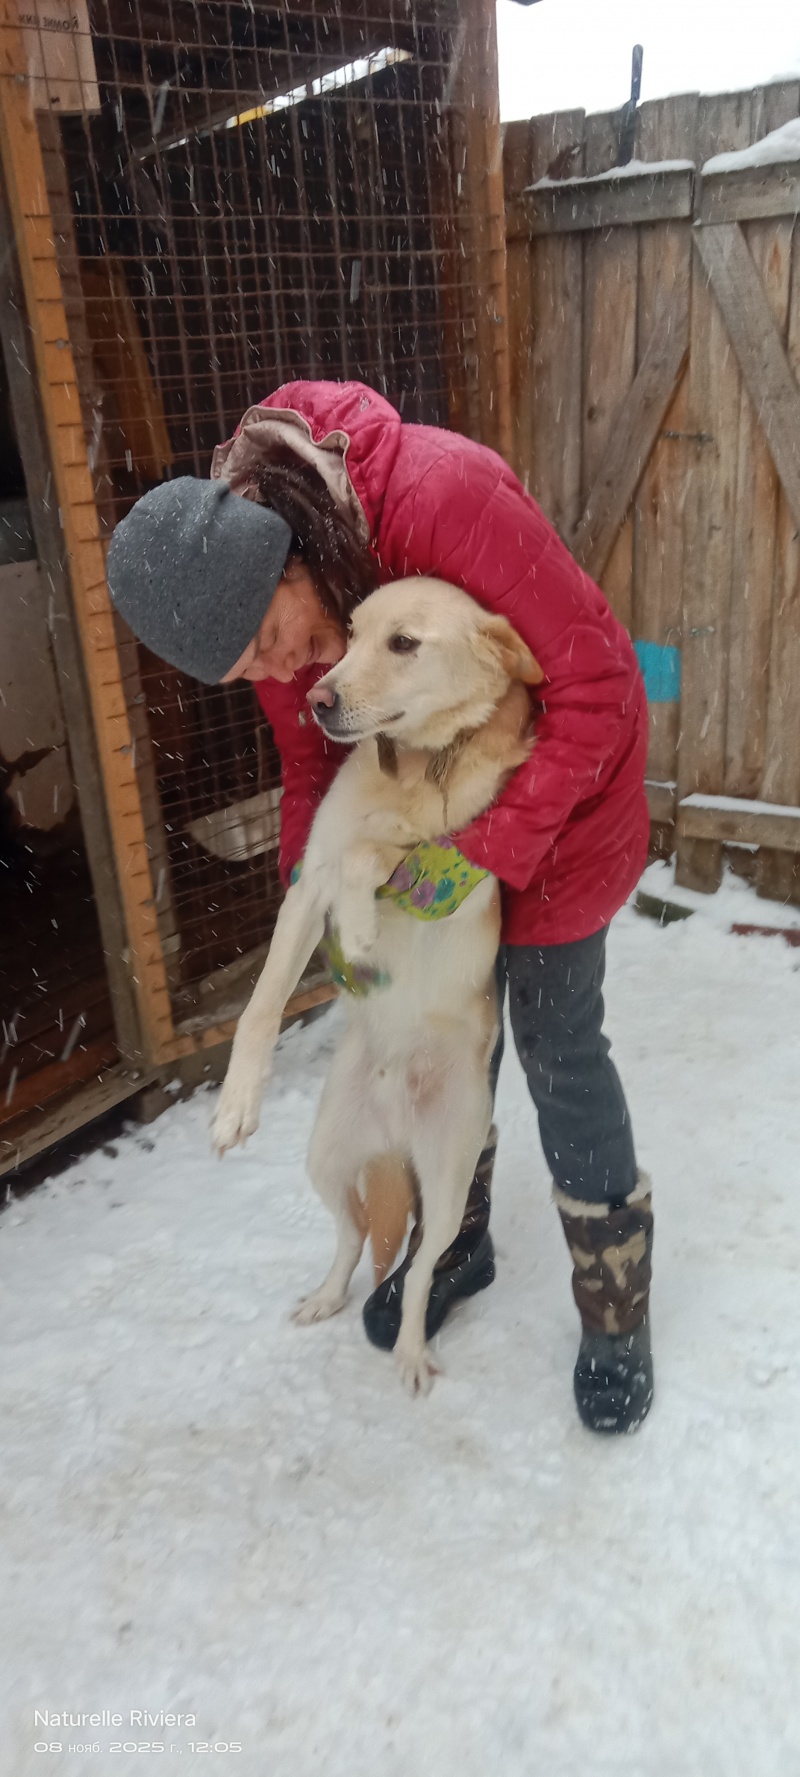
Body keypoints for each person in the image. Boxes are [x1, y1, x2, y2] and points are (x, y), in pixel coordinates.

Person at [107, 378, 654, 1434]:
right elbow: (313, 767)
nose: (279, 670)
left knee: (555, 1041)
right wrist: (312, 891)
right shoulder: (291, 607)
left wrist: (484, 853)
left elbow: (598, 687)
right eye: (249, 670)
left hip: (566, 801)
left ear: (289, 558)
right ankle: (458, 1242)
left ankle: (613, 1298)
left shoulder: (441, 496)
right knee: (447, 1033)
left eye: (271, 639)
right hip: (419, 816)